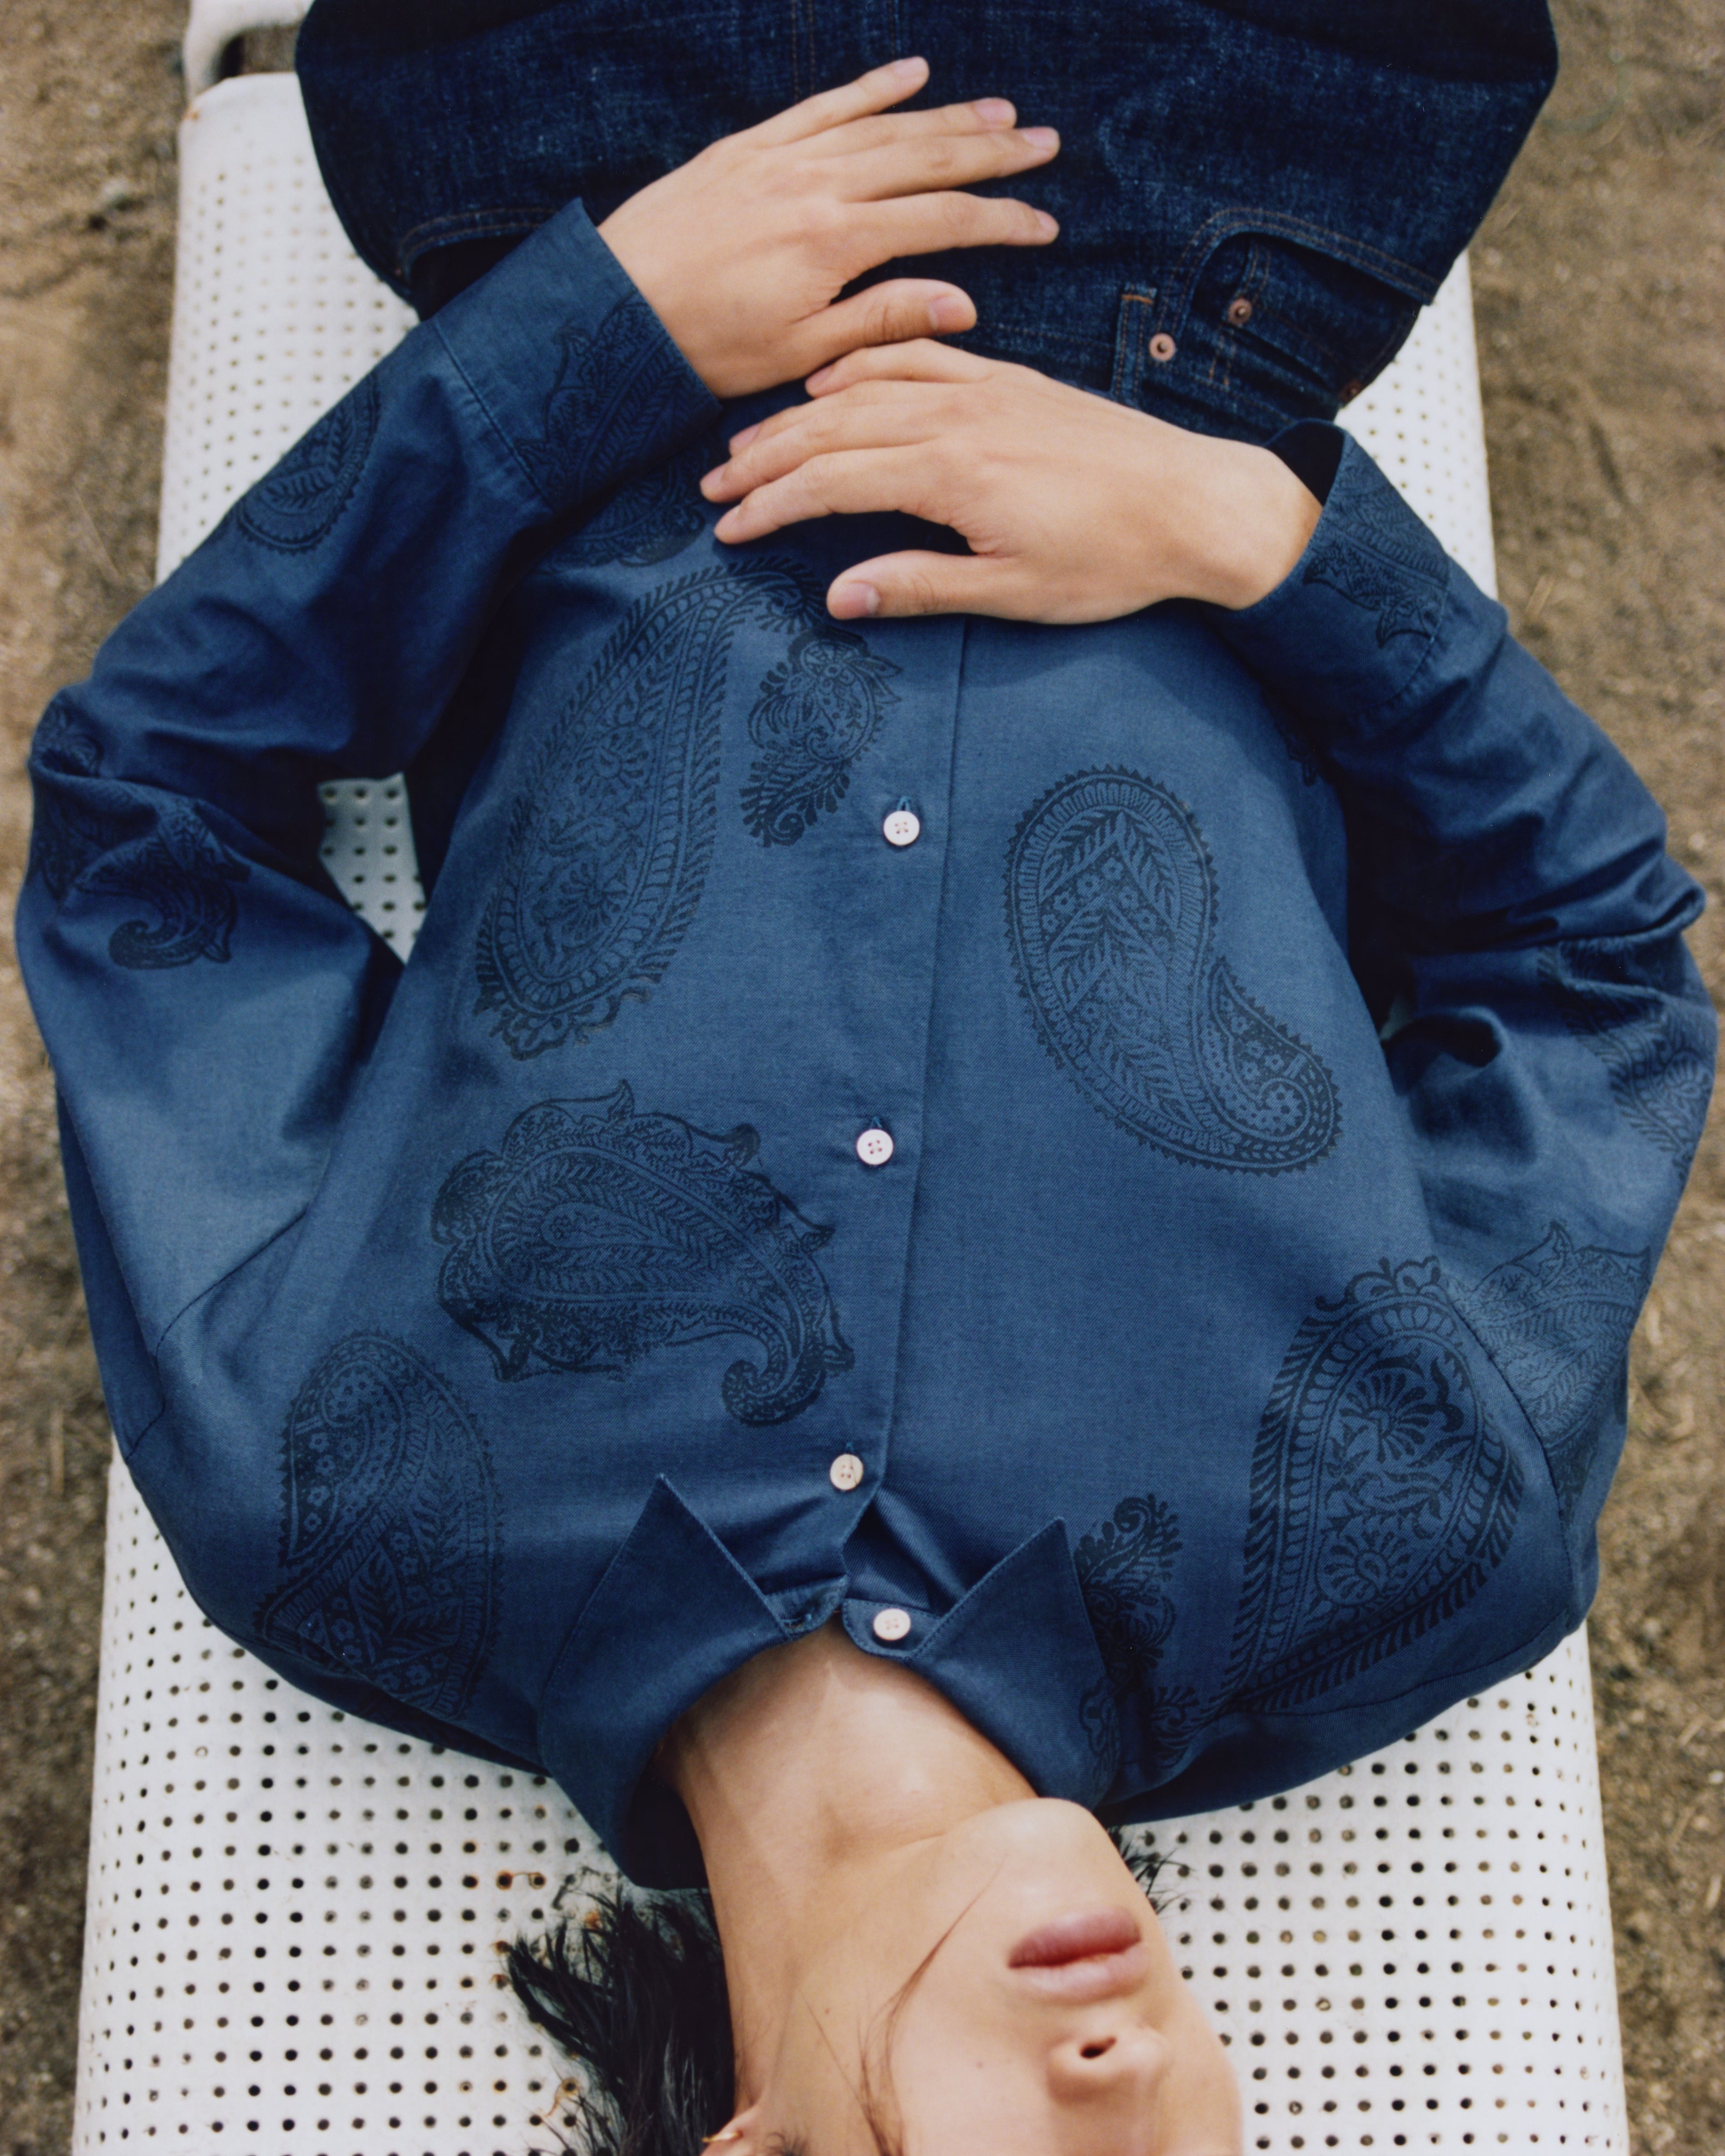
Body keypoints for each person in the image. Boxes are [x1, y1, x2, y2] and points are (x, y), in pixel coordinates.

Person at [18, 4, 1715, 2150]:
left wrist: (595, 334)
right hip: (1252, 177)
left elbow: (149, 825)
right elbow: (1589, 967)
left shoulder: (342, 1514)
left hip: (578, 132)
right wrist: (1254, 531)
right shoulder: (1416, 1542)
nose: (1126, 2079)